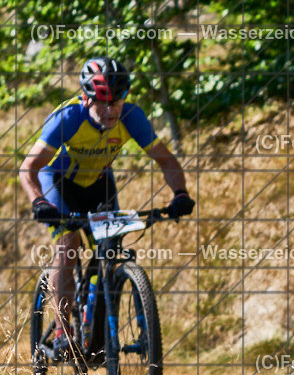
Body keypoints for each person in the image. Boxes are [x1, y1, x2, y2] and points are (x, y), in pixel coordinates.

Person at [19, 57, 194, 354]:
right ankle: (63, 330)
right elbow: (29, 168)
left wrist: (179, 193)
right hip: (58, 183)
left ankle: (100, 323)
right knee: (69, 244)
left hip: (99, 184)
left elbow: (165, 160)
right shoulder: (68, 118)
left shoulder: (132, 117)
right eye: (103, 102)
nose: (111, 110)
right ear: (86, 98)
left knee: (111, 249)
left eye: (118, 100)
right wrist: (38, 200)